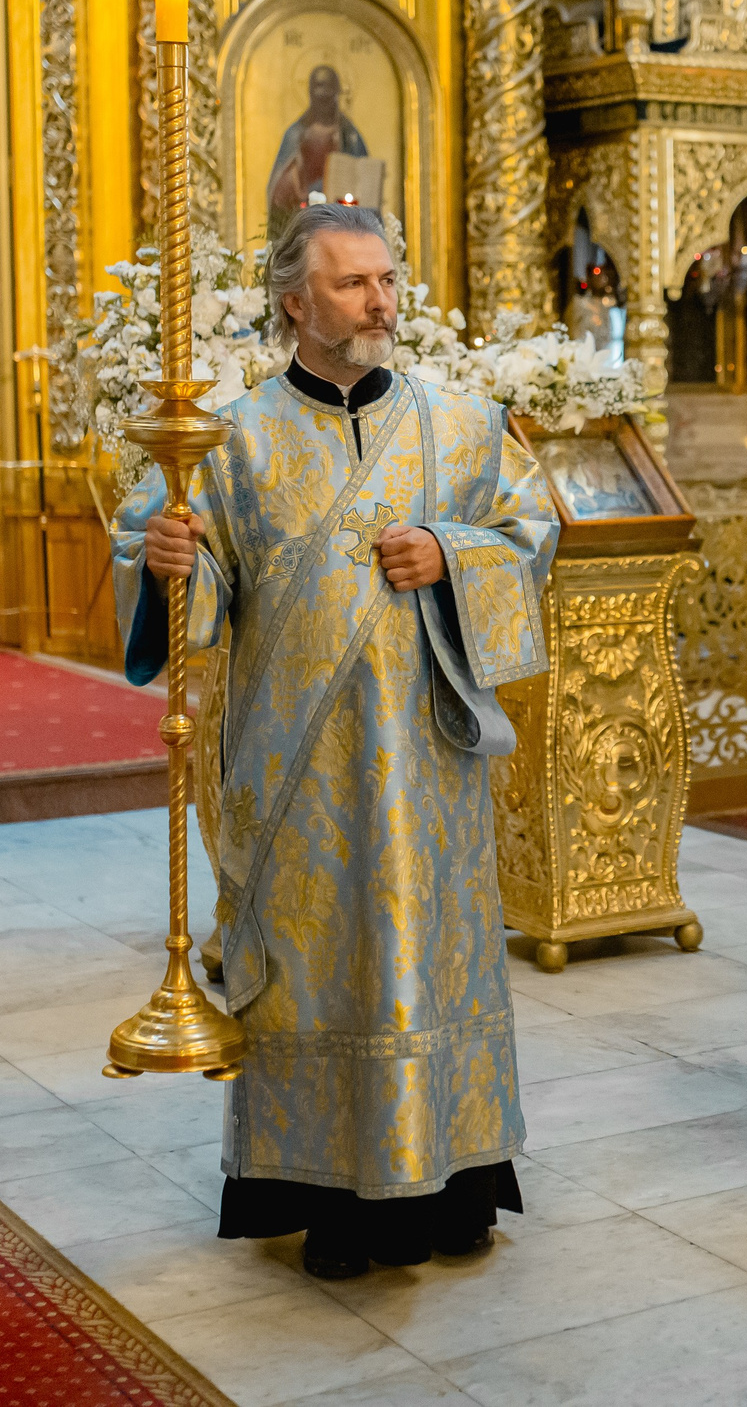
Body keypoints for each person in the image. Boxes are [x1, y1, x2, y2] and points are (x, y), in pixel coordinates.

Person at [114, 202, 559, 1279]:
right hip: (294, 768)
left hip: (426, 757)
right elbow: (192, 587)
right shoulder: (231, 434)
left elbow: (530, 530)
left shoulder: (460, 422)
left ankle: (454, 1185)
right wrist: (171, 561)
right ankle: (324, 1198)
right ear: (294, 301)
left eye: (389, 281)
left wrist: (453, 555)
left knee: (429, 958)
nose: (381, 303)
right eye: (355, 284)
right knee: (316, 966)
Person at [266, 67, 371, 245]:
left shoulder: (349, 135)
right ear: (311, 94)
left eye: (328, 91)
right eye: (319, 90)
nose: (323, 96)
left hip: (344, 229)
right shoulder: (296, 135)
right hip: (307, 225)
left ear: (337, 94)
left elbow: (366, 184)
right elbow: (278, 190)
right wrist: (297, 186)